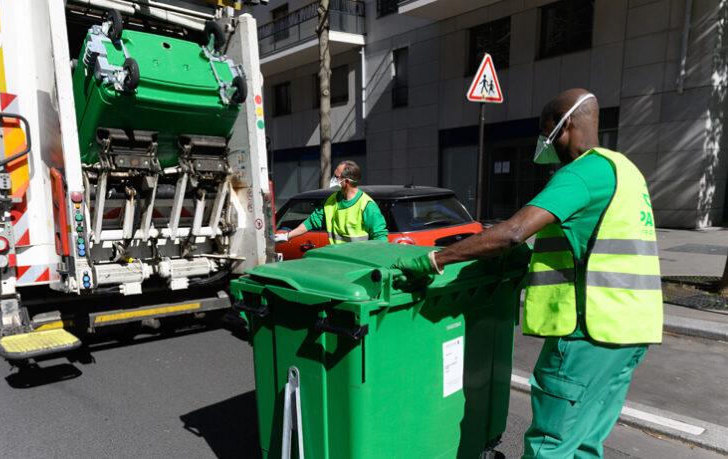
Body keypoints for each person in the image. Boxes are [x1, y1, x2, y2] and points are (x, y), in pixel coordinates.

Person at [395, 89, 662, 458]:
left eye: (544, 131)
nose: (542, 142)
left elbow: (512, 232)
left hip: (589, 333)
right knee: (584, 443)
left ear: (565, 126)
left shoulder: (581, 173)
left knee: (549, 446)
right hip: (631, 333)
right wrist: (529, 260)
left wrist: (436, 260)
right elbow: (592, 241)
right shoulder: (625, 170)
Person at [274, 160, 388, 245]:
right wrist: (287, 236)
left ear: (347, 181)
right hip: (338, 262)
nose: (333, 179)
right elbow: (311, 222)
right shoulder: (330, 201)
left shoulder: (367, 206)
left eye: (336, 177)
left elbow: (380, 238)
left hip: (358, 264)